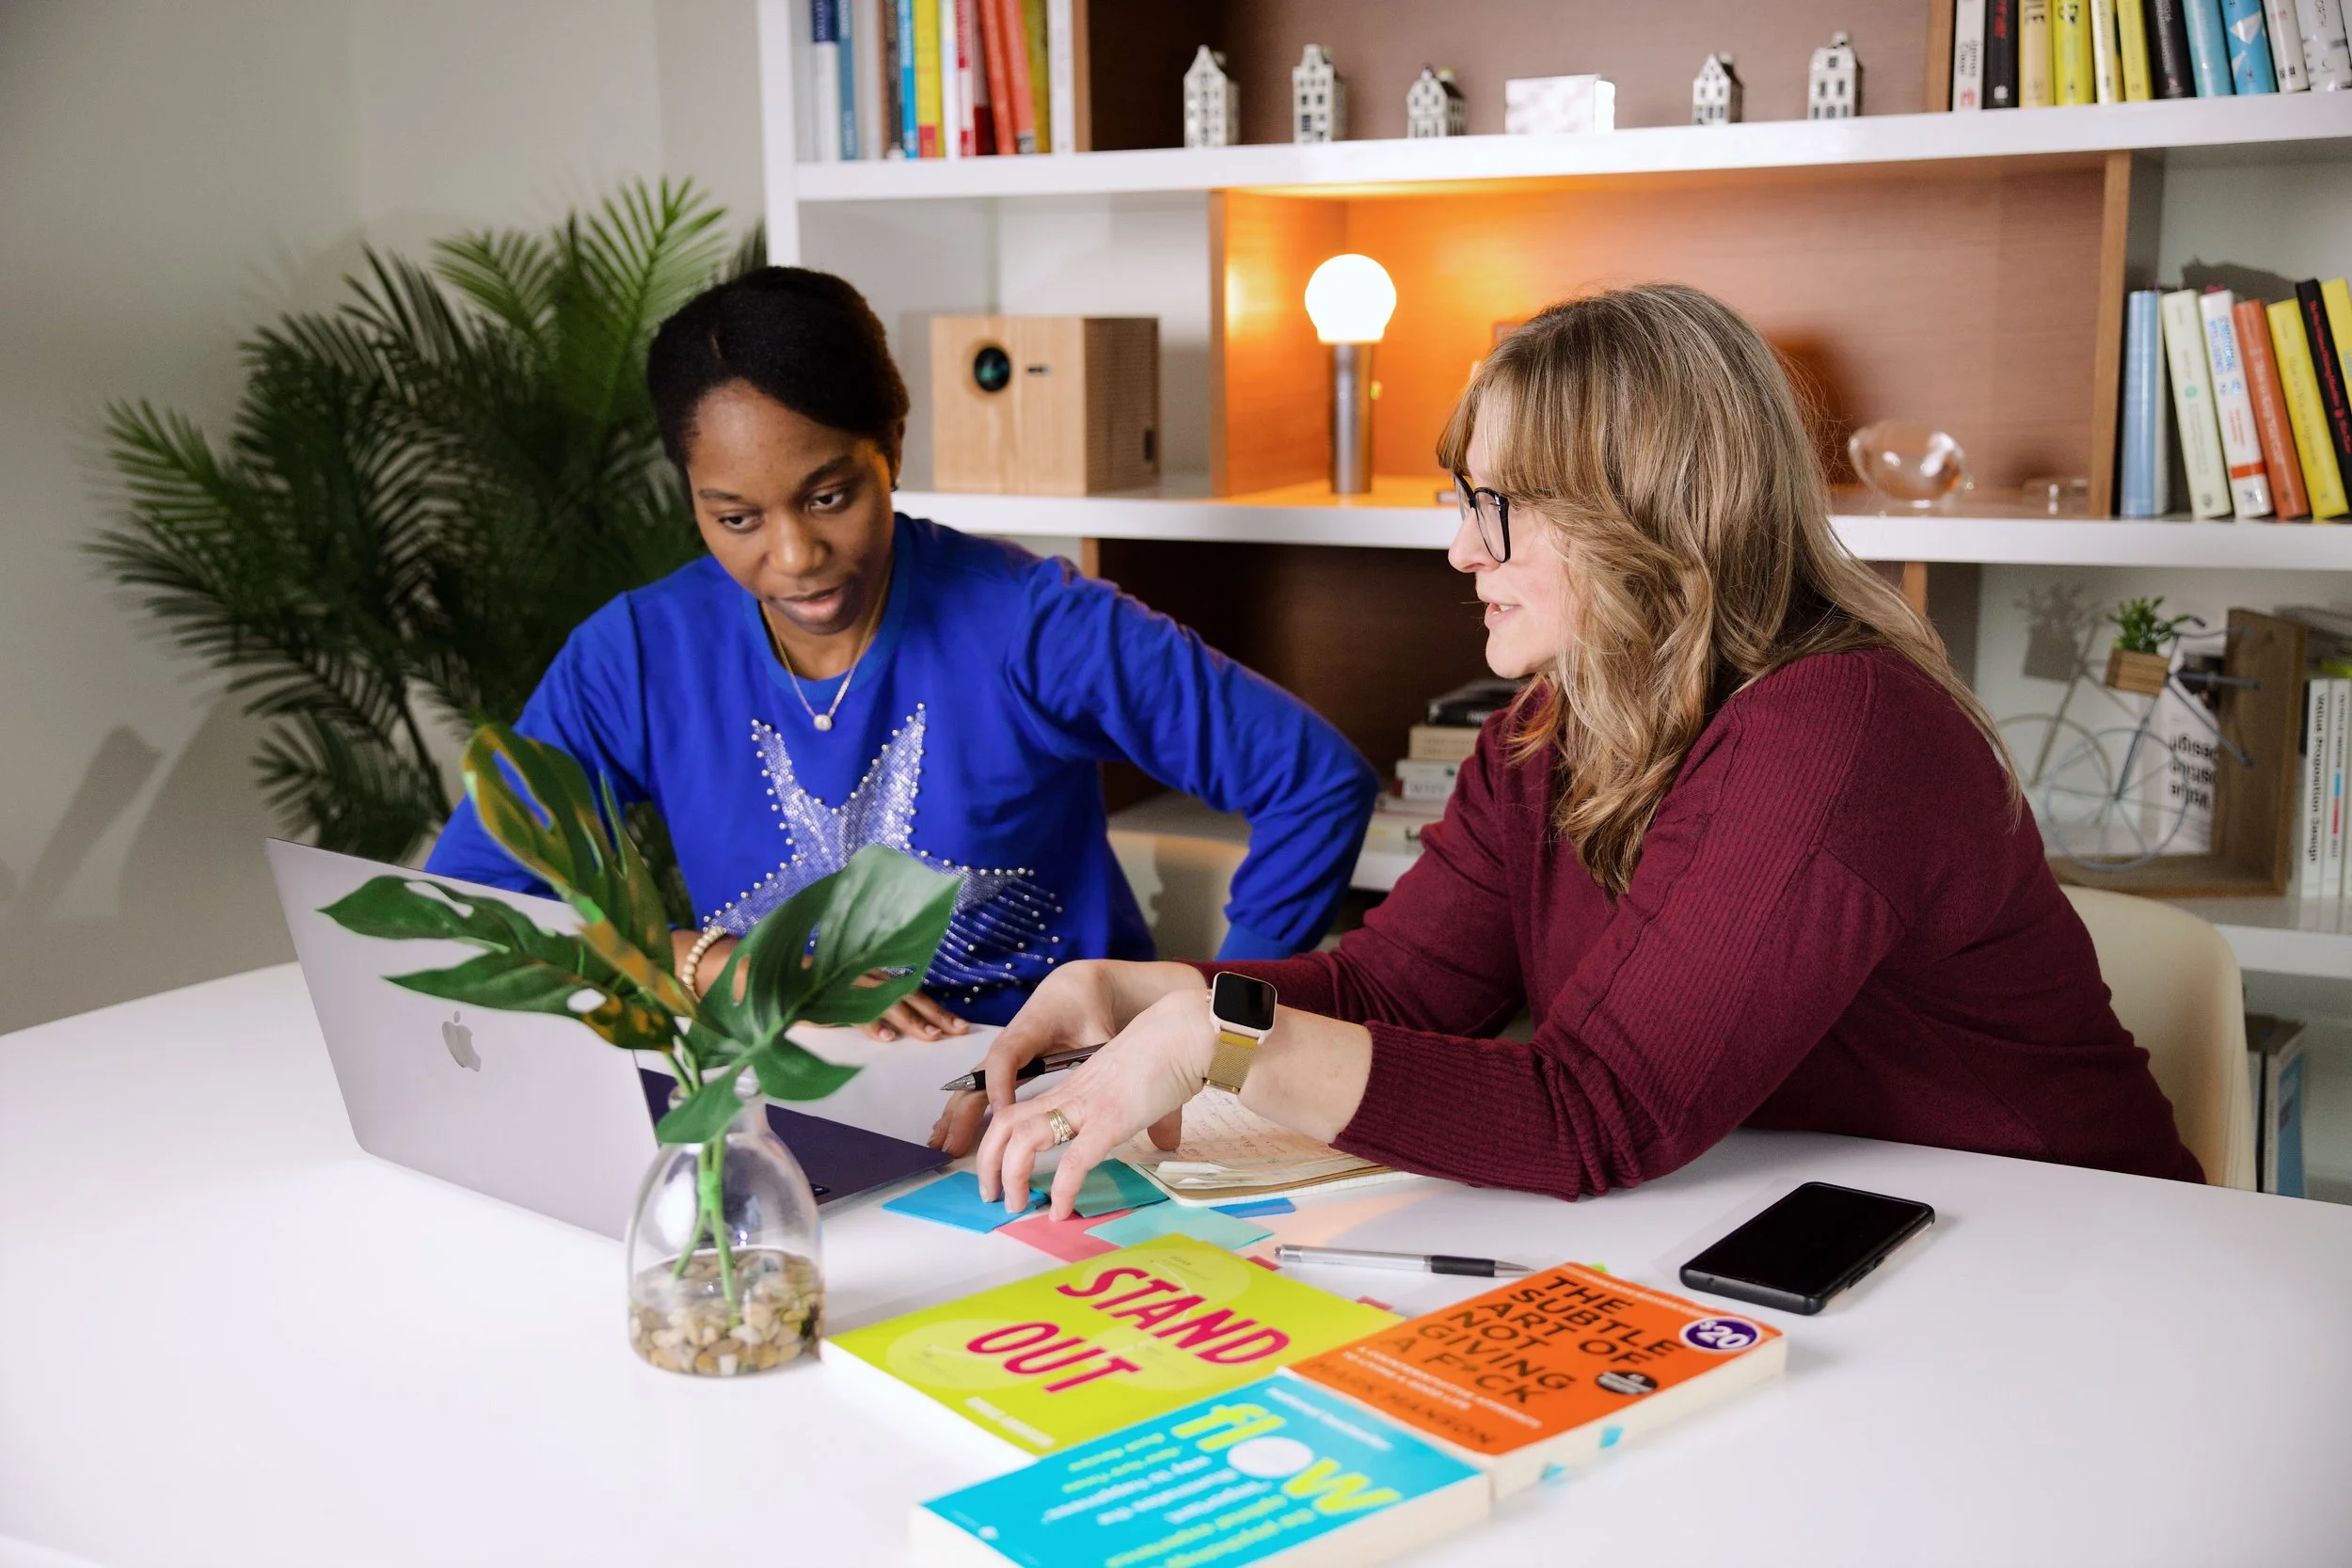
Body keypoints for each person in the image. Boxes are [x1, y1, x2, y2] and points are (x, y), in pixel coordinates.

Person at [961, 281, 2202, 1212]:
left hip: (2067, 1250)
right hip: (1816, 1226)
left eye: (1491, 506)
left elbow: (1594, 1114)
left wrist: (1220, 1041)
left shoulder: (1838, 732)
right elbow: (1401, 992)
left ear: (1643, 518)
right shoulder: (1546, 728)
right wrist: (1165, 992)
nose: (1460, 551)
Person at [424, 266, 1376, 1044]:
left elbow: (1315, 781)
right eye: (736, 518)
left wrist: (1211, 1030)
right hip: (778, 1086)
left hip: (1041, 1096)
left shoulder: (1032, 624)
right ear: (692, 496)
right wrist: (723, 963)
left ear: (893, 445)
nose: (793, 557)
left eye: (830, 495)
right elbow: (472, 896)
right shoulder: (637, 653)